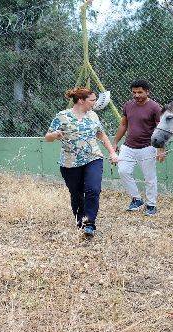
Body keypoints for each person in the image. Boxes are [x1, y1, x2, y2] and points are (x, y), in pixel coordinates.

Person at [44, 87, 118, 238]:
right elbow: (47, 137)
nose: (95, 103)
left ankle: (89, 223)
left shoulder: (93, 116)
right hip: (70, 162)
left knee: (93, 189)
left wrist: (112, 152)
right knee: (76, 194)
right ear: (81, 100)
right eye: (92, 100)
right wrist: (55, 134)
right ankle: (81, 222)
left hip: (93, 158)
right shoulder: (62, 116)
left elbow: (101, 134)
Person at [113, 79, 165, 216]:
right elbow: (123, 125)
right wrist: (115, 142)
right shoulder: (128, 105)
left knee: (149, 177)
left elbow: (160, 129)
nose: (136, 95)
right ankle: (136, 199)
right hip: (128, 146)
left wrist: (161, 149)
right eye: (134, 92)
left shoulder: (155, 107)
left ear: (147, 92)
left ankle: (151, 205)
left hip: (147, 147)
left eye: (140, 92)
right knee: (123, 171)